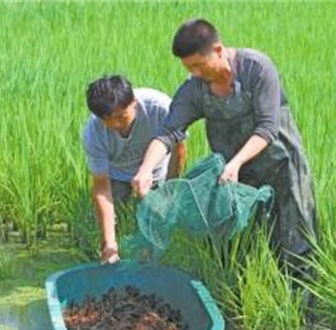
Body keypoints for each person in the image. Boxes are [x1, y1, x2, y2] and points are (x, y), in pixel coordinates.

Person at [132, 19, 318, 269]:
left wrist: (236, 162)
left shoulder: (256, 68)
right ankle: (245, 295)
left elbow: (267, 127)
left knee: (296, 238)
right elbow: (168, 132)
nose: (195, 73)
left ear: (218, 50)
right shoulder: (194, 90)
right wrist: (146, 169)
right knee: (241, 243)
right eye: (189, 67)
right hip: (236, 177)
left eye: (198, 65)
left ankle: (303, 306)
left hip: (283, 166)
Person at [83, 75, 187, 264]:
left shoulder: (161, 108)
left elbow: (179, 149)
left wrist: (169, 190)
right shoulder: (93, 132)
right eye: (108, 120)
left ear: (134, 103)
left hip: (156, 171)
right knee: (107, 221)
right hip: (117, 172)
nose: (116, 125)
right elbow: (101, 186)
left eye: (121, 117)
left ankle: (150, 258)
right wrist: (109, 243)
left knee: (155, 223)